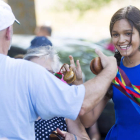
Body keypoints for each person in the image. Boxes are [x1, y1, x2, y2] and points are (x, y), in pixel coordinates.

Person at [0, 1, 117, 139]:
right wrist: (110, 69)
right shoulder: (23, 72)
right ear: (9, 32)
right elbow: (82, 104)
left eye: (48, 74)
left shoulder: (19, 76)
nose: (46, 80)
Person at [80, 5, 140, 140]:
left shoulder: (113, 71)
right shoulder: (112, 70)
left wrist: (117, 78)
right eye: (115, 34)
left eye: (128, 33)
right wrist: (78, 83)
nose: (121, 40)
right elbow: (88, 120)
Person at [24, 46, 90, 140]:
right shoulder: (13, 103)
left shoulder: (64, 106)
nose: (39, 77)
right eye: (33, 72)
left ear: (55, 77)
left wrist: (73, 138)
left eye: (47, 73)